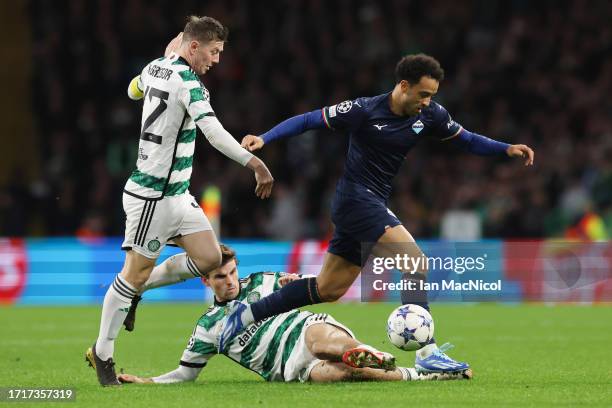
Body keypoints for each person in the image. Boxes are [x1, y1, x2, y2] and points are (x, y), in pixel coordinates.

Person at [218, 54, 535, 373]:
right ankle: (427, 353)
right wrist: (265, 138)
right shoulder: (364, 110)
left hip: (370, 204)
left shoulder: (430, 115)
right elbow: (309, 120)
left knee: (327, 289)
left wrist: (504, 148)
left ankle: (244, 316)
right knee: (415, 262)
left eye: (432, 95)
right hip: (355, 199)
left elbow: (466, 140)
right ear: (403, 86)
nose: (427, 102)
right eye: (423, 94)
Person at [86, 16, 274, 386]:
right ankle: (103, 352)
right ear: (193, 47)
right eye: (213, 51)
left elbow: (132, 92)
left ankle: (135, 293)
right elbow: (215, 134)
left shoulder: (155, 67)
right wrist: (253, 163)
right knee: (132, 273)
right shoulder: (191, 84)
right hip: (152, 197)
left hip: (177, 195)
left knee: (210, 259)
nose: (216, 60)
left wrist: (164, 60)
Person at [116, 244, 473, 384]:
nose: (229, 282)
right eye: (219, 277)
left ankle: (358, 351)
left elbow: (317, 285)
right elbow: (184, 375)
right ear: (207, 281)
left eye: (232, 273)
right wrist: (146, 382)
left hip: (306, 331)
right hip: (287, 369)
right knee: (331, 376)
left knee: (321, 341)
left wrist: (301, 280)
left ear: (238, 270)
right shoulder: (207, 329)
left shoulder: (265, 281)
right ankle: (423, 376)